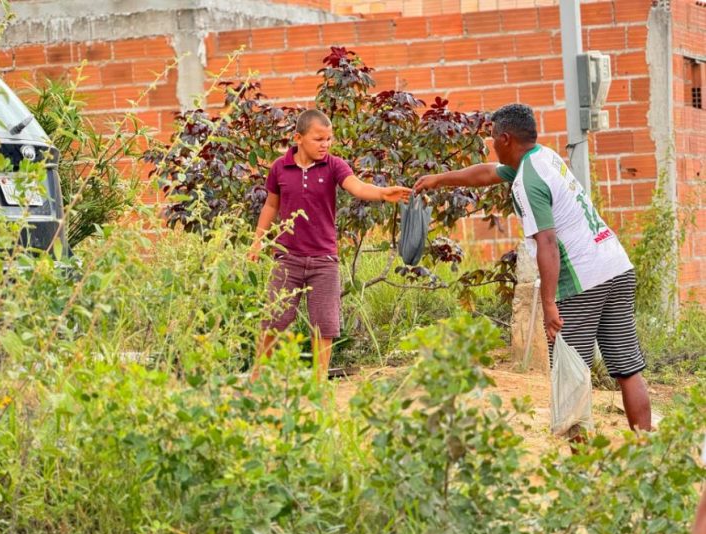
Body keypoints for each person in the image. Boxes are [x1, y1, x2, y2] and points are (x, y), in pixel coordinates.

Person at [414, 103, 652, 432]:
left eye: (493, 138)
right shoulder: (543, 157)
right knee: (627, 367)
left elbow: (548, 243)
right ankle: (646, 447)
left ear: (506, 139)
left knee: (569, 374)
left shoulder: (527, 181)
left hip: (583, 280)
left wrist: (549, 303)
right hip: (615, 266)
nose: (491, 143)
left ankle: (579, 468)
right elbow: (487, 172)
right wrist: (438, 180)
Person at [248, 109, 411, 380]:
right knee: (274, 318)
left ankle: (318, 382)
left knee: (324, 324)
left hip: (323, 260)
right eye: (319, 139)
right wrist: (257, 243)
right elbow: (270, 205)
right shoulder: (279, 167)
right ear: (298, 138)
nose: (325, 145)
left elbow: (357, 187)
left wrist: (383, 193)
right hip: (287, 258)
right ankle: (257, 377)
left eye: (329, 139)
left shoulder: (334, 165)